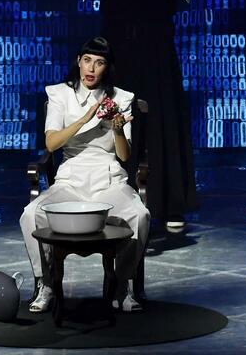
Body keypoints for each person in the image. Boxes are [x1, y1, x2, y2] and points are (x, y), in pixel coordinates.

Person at [77, 0, 197, 230]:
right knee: (115, 121)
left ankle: (170, 205)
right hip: (117, 48)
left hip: (156, 46)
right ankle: (111, 202)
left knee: (163, 121)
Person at [20, 37, 150, 312]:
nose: (91, 68)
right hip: (71, 178)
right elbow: (51, 144)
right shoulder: (60, 94)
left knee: (139, 215)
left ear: (107, 67)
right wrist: (85, 118)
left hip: (108, 178)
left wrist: (117, 129)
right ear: (78, 61)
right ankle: (46, 284)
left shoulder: (120, 98)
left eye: (99, 62)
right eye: (87, 60)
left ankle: (122, 285)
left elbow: (124, 156)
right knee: (32, 214)